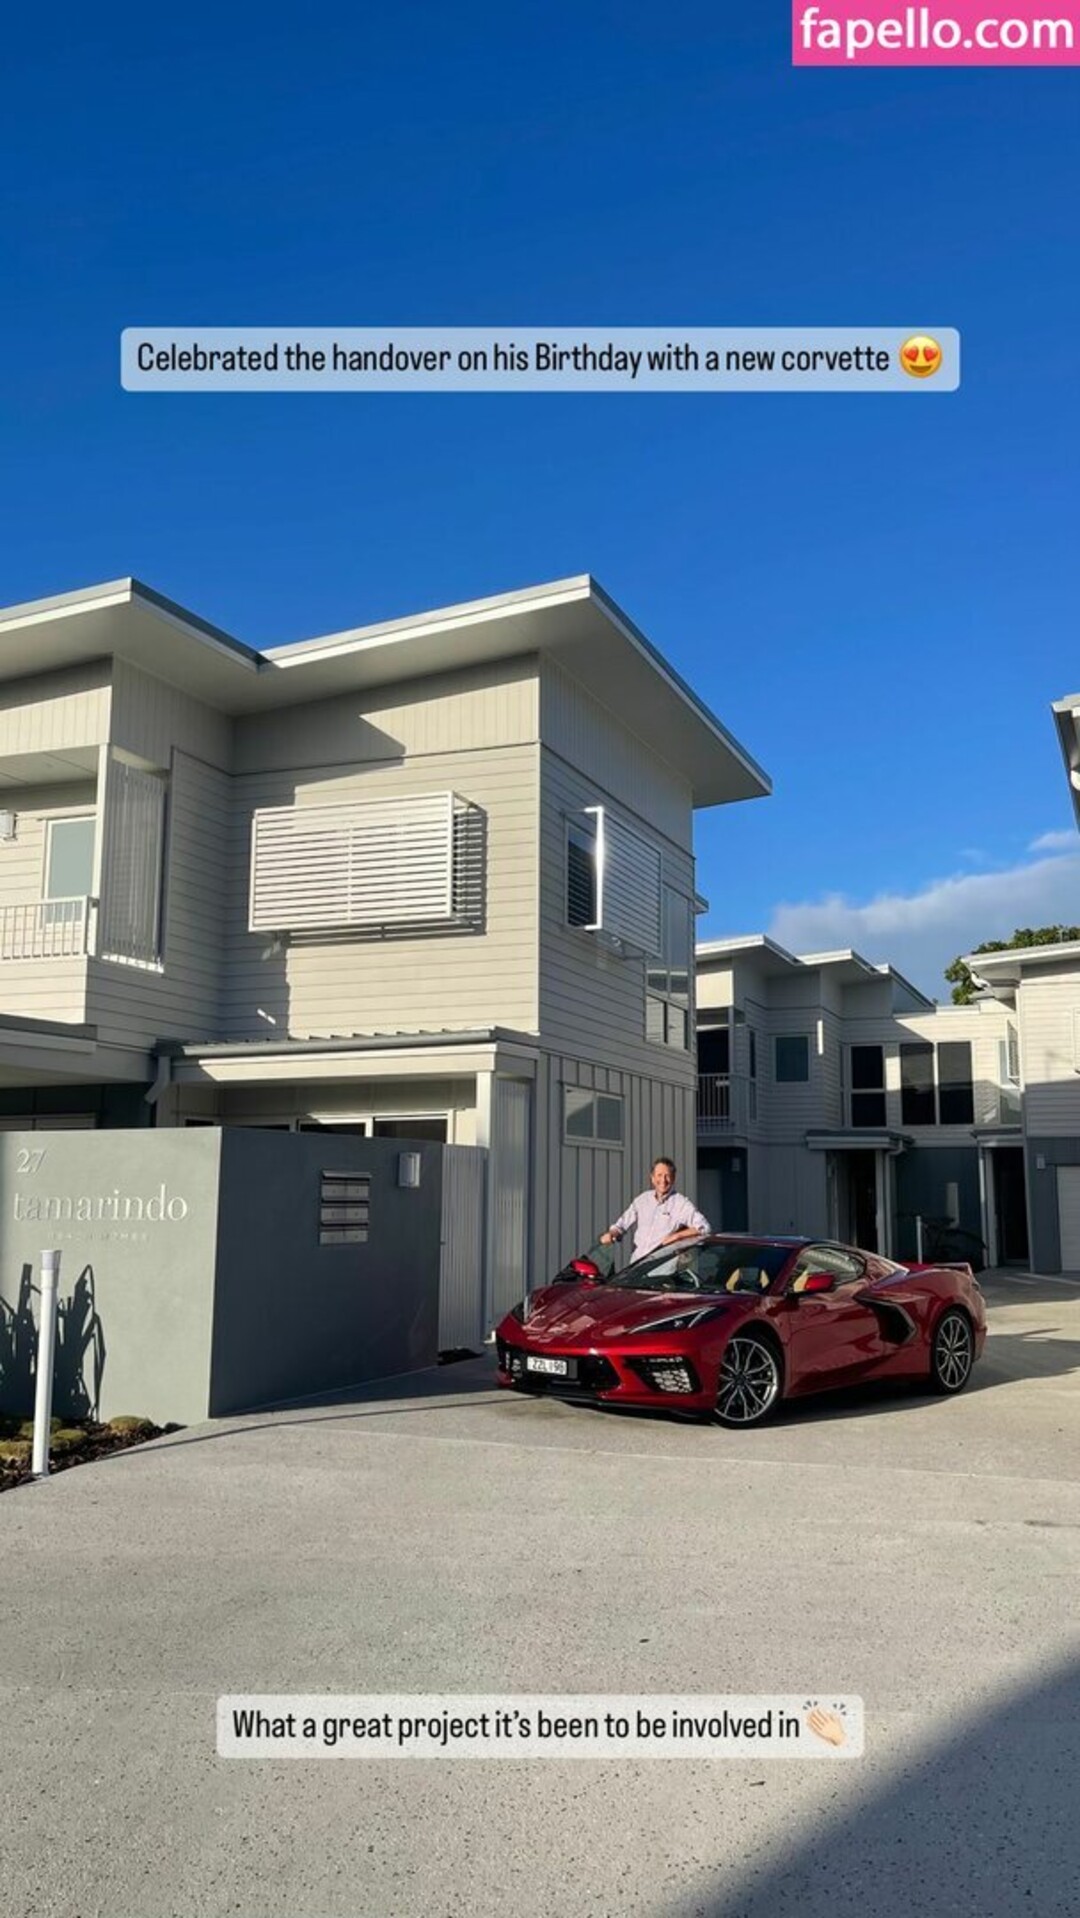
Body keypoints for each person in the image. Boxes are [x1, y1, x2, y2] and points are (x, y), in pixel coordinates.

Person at [600, 1157, 711, 1263]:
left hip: (662, 1267)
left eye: (667, 1176)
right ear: (652, 1178)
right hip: (636, 1265)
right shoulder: (642, 1200)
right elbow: (621, 1225)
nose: (663, 1180)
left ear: (673, 1178)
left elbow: (704, 1227)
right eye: (659, 1175)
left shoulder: (681, 1204)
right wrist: (611, 1234)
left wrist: (676, 1236)